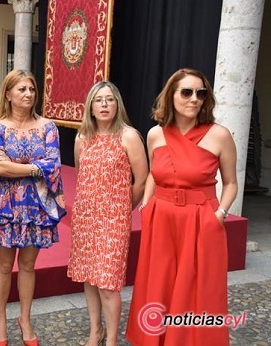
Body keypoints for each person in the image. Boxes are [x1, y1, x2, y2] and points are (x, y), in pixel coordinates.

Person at [126, 68, 238, 345]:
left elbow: (232, 183)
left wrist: (219, 215)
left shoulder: (219, 135)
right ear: (171, 96)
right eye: (186, 92)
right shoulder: (155, 134)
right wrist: (147, 206)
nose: (194, 99)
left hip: (201, 220)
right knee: (159, 283)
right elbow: (154, 173)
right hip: (161, 218)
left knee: (197, 287)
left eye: (201, 93)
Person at [0, 69, 66, 346]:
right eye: (21, 89)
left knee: (28, 266)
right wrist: (34, 169)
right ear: (8, 94)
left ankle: (25, 318)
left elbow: (53, 164)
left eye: (31, 89)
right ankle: (1, 318)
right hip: (5, 207)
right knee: (4, 266)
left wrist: (18, 168)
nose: (28, 94)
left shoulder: (48, 127)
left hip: (36, 205)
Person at [66, 81, 148, 346]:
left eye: (109, 100)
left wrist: (122, 208)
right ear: (90, 105)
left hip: (114, 220)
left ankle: (111, 338)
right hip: (86, 217)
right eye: (98, 100)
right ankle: (95, 331)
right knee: (89, 277)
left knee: (109, 283)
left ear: (117, 104)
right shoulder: (82, 137)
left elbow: (142, 180)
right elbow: (81, 175)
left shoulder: (129, 136)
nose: (104, 105)